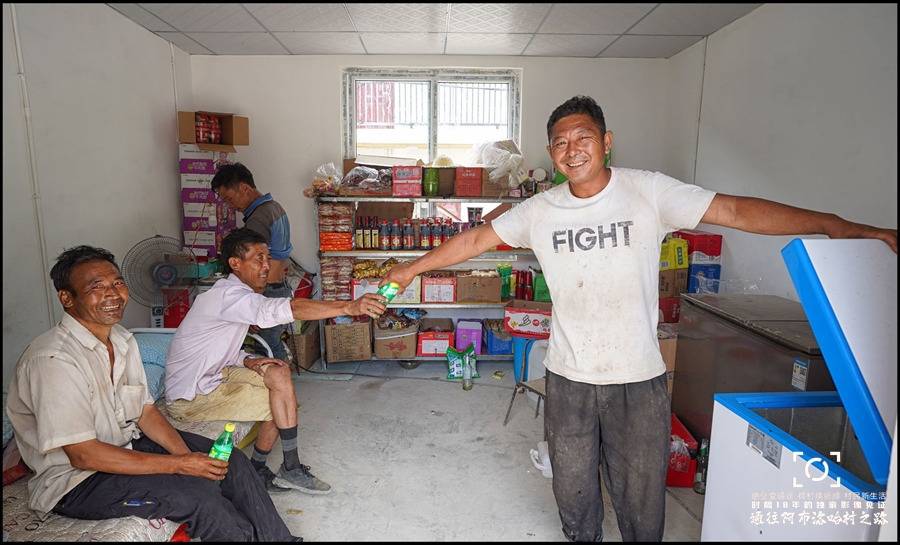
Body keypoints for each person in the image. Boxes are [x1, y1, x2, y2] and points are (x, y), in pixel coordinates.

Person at [382, 95, 898, 541]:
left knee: (641, 500)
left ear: (607, 142)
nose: (572, 150)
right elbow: (475, 239)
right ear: (551, 153)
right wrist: (411, 269)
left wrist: (834, 225)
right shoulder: (541, 210)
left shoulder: (648, 192)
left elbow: (736, 211)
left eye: (583, 137)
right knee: (574, 493)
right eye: (560, 143)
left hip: (638, 378)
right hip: (569, 378)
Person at [5, 246, 301, 542]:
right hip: (77, 482)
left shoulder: (122, 340)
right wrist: (180, 465)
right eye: (97, 287)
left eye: (117, 283)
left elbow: (145, 411)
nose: (113, 294)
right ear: (67, 298)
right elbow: (83, 455)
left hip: (126, 444)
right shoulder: (53, 360)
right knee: (199, 498)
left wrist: (189, 458)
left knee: (229, 462)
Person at [165, 228, 386, 495]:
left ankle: (269, 469)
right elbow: (287, 309)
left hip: (217, 372)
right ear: (235, 263)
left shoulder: (235, 294)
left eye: (267, 258)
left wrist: (248, 359)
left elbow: (217, 347)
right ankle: (281, 469)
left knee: (279, 373)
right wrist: (348, 307)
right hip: (191, 395)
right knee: (279, 401)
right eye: (258, 259)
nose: (266, 266)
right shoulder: (228, 296)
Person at [212, 162, 295, 361]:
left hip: (267, 290)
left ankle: (279, 378)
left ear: (244, 188)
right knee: (271, 343)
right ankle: (280, 376)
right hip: (280, 287)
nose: (230, 206)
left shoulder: (258, 218)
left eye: (229, 198)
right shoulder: (275, 207)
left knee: (266, 346)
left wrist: (253, 302)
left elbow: (254, 266)